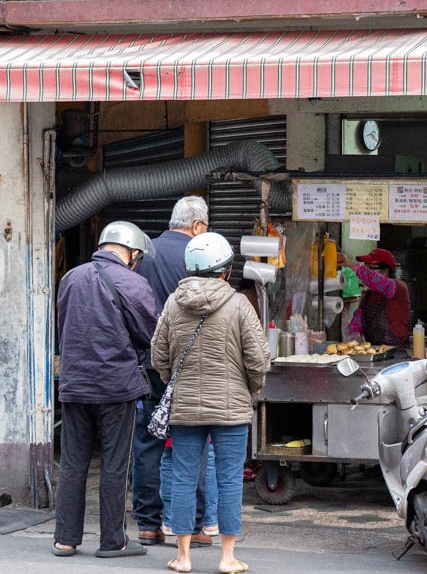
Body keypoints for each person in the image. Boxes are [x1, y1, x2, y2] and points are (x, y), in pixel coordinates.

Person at [151, 232, 270, 574]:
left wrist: (178, 382)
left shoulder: (174, 303)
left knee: (184, 478)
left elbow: (159, 356)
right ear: (225, 271)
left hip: (185, 408)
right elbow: (259, 359)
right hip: (231, 409)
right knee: (230, 478)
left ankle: (184, 557)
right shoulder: (239, 305)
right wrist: (251, 388)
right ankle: (227, 557)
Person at [52, 221, 158, 559]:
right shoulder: (134, 283)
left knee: (72, 463)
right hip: (117, 387)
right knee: (115, 465)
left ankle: (65, 540)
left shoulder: (70, 278)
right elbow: (148, 335)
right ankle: (113, 541)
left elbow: (62, 329)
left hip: (75, 384)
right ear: (130, 251)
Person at [133, 196, 213, 547]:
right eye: (205, 228)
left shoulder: (144, 254)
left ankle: (148, 524)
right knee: (190, 443)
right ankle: (192, 525)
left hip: (150, 363)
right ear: (196, 226)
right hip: (189, 365)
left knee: (148, 441)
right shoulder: (197, 255)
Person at [338, 247, 411, 348]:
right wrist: (351, 339)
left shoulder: (398, 287)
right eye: (366, 267)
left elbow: (374, 280)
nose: (366, 271)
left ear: (385, 271)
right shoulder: (368, 295)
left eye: (370, 269)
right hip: (375, 352)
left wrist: (351, 265)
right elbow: (357, 323)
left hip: (397, 352)